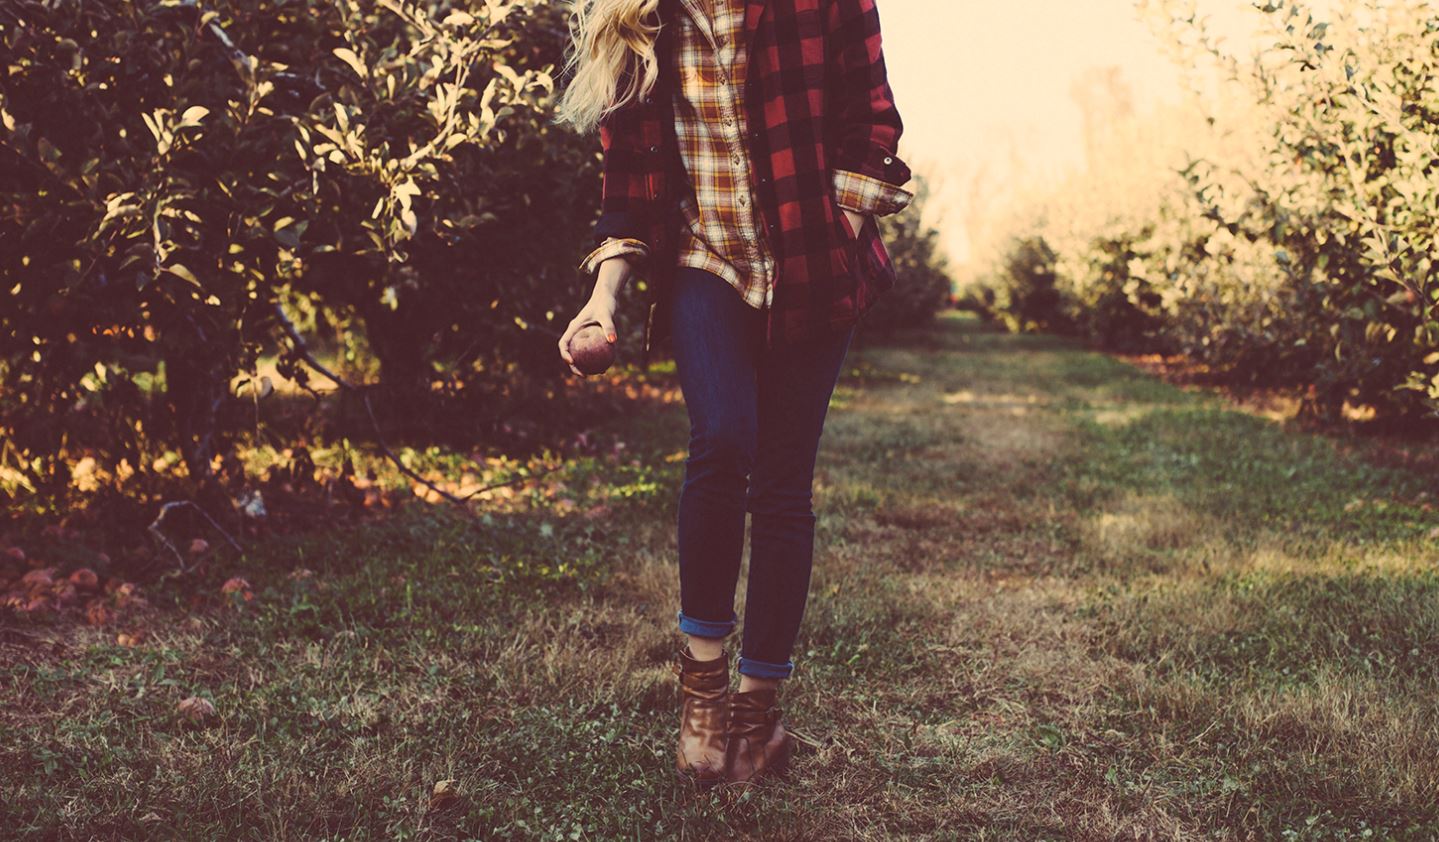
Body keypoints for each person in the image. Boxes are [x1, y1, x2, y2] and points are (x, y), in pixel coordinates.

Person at [554, 0, 913, 787]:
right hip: (705, 263)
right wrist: (602, 298)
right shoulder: (642, 19)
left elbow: (871, 120)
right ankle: (704, 696)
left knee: (782, 483)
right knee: (719, 442)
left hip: (813, 265)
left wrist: (838, 232)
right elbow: (627, 185)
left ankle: (757, 712)